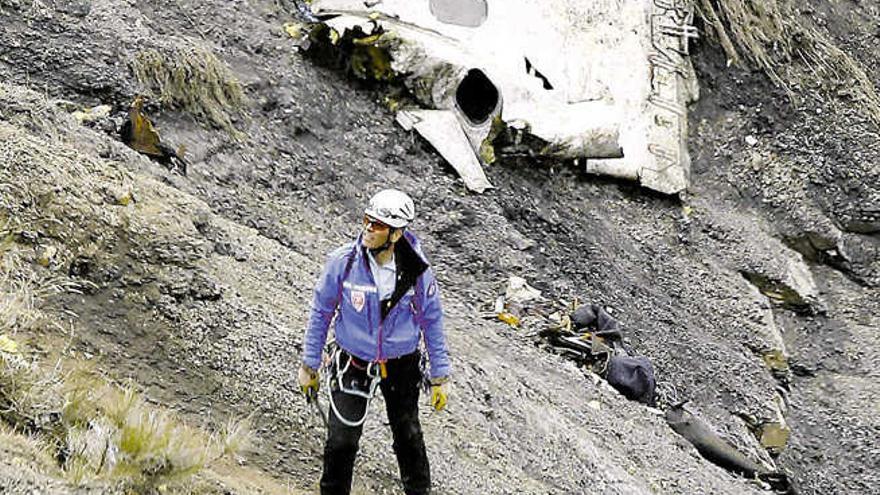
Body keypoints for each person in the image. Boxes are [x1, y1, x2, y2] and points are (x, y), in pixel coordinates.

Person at [298, 189, 451, 495]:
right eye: (367, 220)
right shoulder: (344, 262)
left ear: (396, 233)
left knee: (408, 437)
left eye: (378, 225)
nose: (368, 228)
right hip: (352, 362)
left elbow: (431, 320)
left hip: (402, 365)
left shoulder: (418, 271)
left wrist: (440, 376)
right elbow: (321, 311)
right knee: (341, 442)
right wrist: (309, 364)